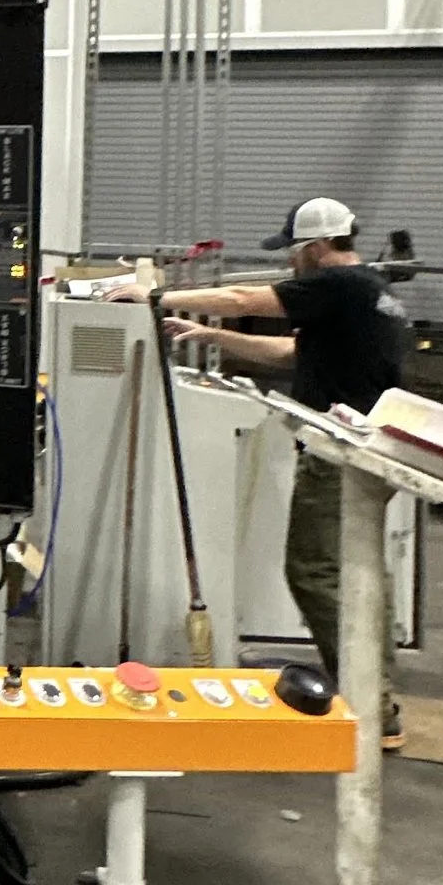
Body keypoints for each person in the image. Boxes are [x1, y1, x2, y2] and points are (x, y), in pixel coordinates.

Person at [156, 197, 412, 748]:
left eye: (293, 253)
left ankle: (371, 702)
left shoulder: (338, 283)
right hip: (371, 448)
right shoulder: (369, 291)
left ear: (315, 248)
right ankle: (376, 691)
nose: (289, 263)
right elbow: (294, 353)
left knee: (314, 571)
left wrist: (156, 296)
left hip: (341, 453)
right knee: (358, 573)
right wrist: (212, 337)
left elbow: (242, 298)